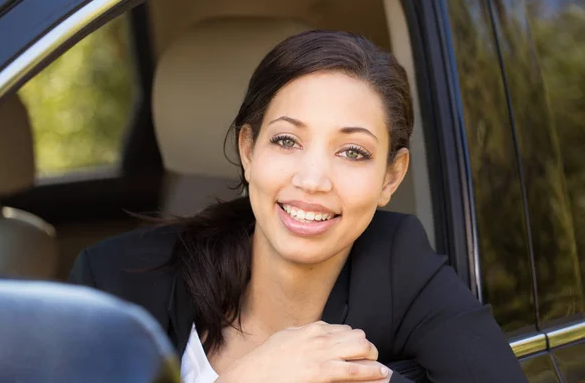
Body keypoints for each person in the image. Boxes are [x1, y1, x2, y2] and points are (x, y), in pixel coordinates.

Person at [68, 30, 528, 383]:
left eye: (352, 152)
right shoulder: (114, 281)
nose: (312, 180)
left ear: (391, 176)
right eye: (286, 140)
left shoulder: (398, 265)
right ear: (249, 151)